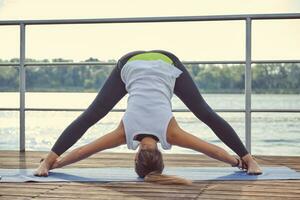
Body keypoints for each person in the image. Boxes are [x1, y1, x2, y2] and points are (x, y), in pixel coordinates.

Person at [34, 50, 263, 185]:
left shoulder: (171, 133)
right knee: (92, 115)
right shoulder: (124, 133)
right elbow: (85, 151)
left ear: (160, 154)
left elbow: (211, 150)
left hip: (166, 61)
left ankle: (251, 159)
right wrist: (53, 163)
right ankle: (47, 159)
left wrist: (238, 161)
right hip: (130, 63)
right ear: (135, 157)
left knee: (204, 112)